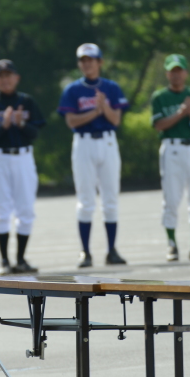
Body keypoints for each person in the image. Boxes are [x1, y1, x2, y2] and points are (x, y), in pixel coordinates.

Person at [57, 43, 129, 268]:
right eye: (83, 60)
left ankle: (112, 250)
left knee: (110, 197)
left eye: (91, 59)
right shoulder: (73, 90)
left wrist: (104, 107)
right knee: (85, 199)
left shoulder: (111, 87)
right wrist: (96, 111)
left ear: (100, 62)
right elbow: (71, 121)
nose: (87, 63)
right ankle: (85, 252)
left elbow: (116, 119)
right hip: (84, 143)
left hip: (107, 141)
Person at [0, 59, 45, 275]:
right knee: (1, 209)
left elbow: (35, 133)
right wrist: (4, 126)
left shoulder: (27, 101)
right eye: (0, 76)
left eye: (8, 75)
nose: (5, 79)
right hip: (0, 158)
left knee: (26, 208)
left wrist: (21, 123)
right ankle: (5, 260)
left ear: (16, 78)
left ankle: (21, 259)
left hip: (23, 157)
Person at [151, 54, 190, 261]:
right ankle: (172, 244)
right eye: (172, 71)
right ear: (167, 73)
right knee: (171, 198)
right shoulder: (160, 97)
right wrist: (181, 112)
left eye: (179, 70)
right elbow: (159, 125)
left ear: (186, 72)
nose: (176, 74)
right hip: (172, 148)